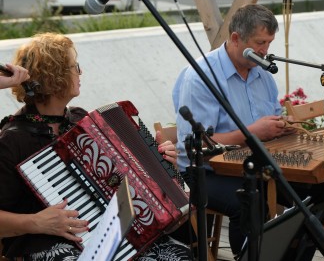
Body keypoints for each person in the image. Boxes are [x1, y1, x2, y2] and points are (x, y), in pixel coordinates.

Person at [0, 32, 190, 261]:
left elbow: (118, 173)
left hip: (110, 233)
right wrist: (36, 222)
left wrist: (157, 161)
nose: (80, 73)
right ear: (55, 76)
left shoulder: (79, 120)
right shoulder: (13, 139)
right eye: (74, 66)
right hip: (45, 241)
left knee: (179, 255)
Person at [172, 4, 324, 258]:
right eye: (260, 43)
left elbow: (269, 122)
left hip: (254, 164)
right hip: (205, 170)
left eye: (269, 42)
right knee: (251, 201)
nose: (265, 51)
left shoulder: (262, 75)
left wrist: (280, 126)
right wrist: (254, 132)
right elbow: (198, 146)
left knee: (320, 189)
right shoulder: (200, 76)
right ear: (235, 38)